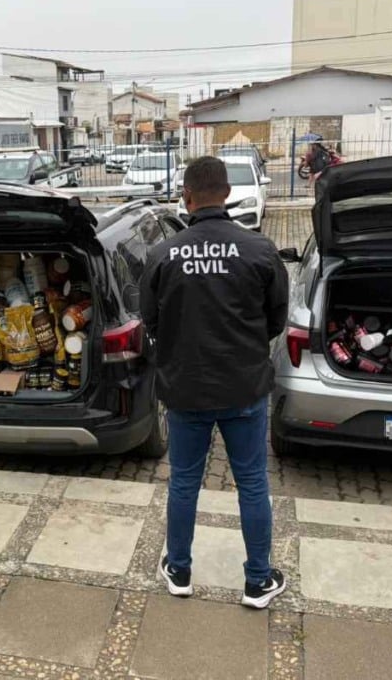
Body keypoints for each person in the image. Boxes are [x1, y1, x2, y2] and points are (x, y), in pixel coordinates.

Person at [140, 156, 289, 609]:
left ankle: (180, 570)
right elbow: (275, 320)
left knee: (184, 481)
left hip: (186, 389)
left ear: (186, 197)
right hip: (244, 387)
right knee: (251, 483)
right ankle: (258, 581)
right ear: (226, 193)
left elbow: (151, 321)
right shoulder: (261, 251)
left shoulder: (162, 254)